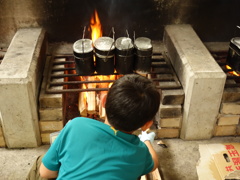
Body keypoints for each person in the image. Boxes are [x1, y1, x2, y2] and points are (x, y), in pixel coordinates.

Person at [32, 74, 160, 180]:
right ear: (147, 124)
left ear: (103, 101)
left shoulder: (76, 125)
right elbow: (154, 163)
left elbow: (46, 173)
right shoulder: (140, 153)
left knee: (43, 161)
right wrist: (146, 139)